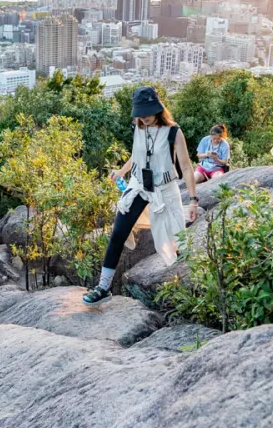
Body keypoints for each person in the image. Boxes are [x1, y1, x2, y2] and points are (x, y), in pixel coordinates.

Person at [84, 86, 199, 305]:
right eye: (140, 112)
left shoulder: (173, 132)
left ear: (158, 108)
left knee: (176, 241)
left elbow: (185, 166)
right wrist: (121, 172)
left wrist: (193, 200)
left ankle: (189, 292)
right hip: (138, 185)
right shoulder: (138, 127)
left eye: (147, 112)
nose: (144, 117)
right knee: (118, 232)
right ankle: (103, 287)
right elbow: (136, 156)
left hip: (164, 189)